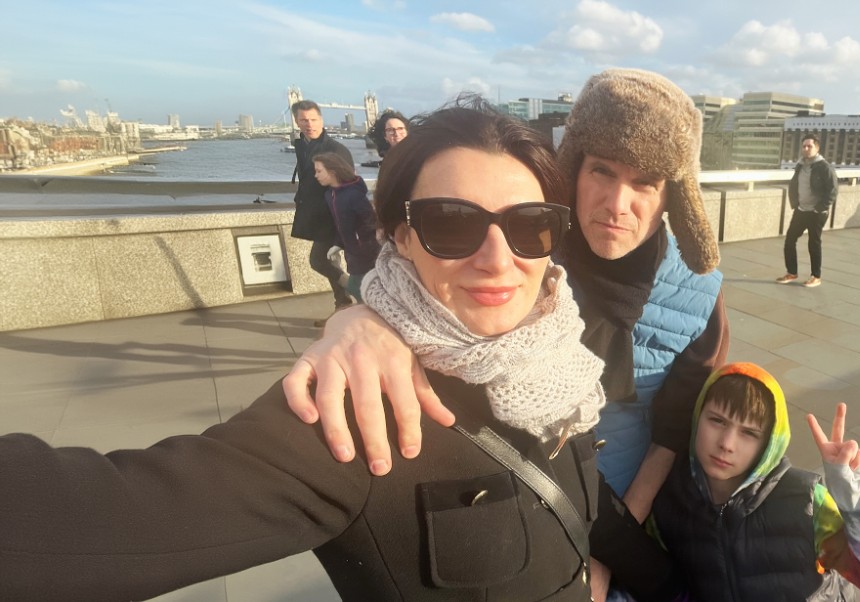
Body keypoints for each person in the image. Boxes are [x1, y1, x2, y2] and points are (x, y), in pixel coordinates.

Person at [0, 102, 677, 601]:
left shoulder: (560, 357)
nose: (498, 259)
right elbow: (93, 522)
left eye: (530, 226)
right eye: (450, 222)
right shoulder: (355, 411)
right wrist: (357, 322)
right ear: (397, 234)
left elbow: (587, 505)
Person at [649, 362, 860, 601]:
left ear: (770, 443)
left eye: (749, 433)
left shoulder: (805, 500)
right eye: (717, 421)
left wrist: (854, 499)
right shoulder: (670, 500)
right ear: (697, 417)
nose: (726, 443)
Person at [291, 100, 356, 319]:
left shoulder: (335, 150)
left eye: (314, 119)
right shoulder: (303, 146)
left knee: (319, 260)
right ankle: (343, 307)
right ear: (297, 121)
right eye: (304, 120)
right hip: (318, 216)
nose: (309, 124)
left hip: (334, 217)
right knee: (329, 261)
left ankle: (356, 292)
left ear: (321, 120)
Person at [313, 151, 378, 302]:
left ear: (332, 171)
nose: (316, 175)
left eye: (319, 171)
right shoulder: (330, 195)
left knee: (359, 289)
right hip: (351, 252)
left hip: (365, 253)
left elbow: (370, 222)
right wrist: (338, 244)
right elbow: (340, 224)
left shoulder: (354, 195)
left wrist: (362, 245)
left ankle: (373, 317)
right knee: (360, 289)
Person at [776, 134, 837, 288]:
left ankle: (816, 276)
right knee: (790, 240)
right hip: (801, 210)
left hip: (817, 213)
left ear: (817, 148)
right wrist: (795, 204)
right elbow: (794, 184)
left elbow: (833, 190)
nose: (806, 149)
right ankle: (792, 272)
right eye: (804, 146)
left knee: (813, 243)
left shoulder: (824, 167)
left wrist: (819, 208)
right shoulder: (801, 165)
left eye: (809, 146)